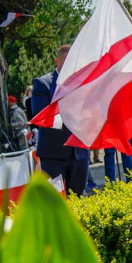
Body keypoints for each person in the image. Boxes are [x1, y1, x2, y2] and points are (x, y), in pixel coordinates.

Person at [32, 45, 90, 195]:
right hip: (53, 153)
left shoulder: (83, 82)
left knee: (78, 197)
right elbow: (41, 116)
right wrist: (70, 115)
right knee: (53, 200)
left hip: (79, 151)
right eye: (66, 62)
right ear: (57, 60)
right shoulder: (42, 83)